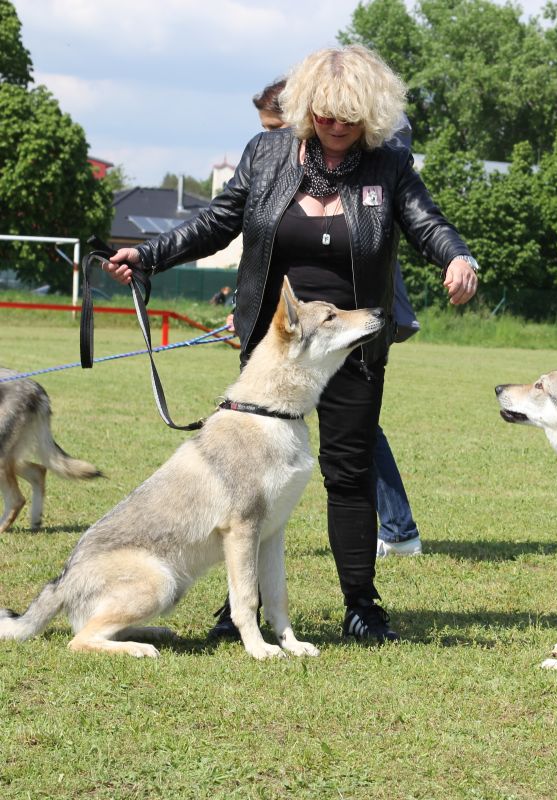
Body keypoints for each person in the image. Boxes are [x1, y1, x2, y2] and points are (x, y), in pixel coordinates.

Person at [103, 45, 480, 643]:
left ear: (372, 115)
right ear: (305, 106)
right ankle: (238, 609)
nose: (335, 125)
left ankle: (362, 605)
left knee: (349, 471)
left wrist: (458, 257)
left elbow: (426, 220)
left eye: (350, 116)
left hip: (350, 343)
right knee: (245, 484)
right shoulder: (269, 153)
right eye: (325, 113)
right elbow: (216, 221)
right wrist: (149, 254)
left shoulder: (388, 166)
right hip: (273, 351)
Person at [252, 76, 424, 561]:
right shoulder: (272, 163)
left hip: (342, 322)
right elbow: (233, 224)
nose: (269, 139)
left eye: (273, 128)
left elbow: (418, 218)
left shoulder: (382, 154)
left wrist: (457, 258)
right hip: (294, 330)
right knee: (341, 435)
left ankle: (392, 538)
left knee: (354, 439)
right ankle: (397, 527)